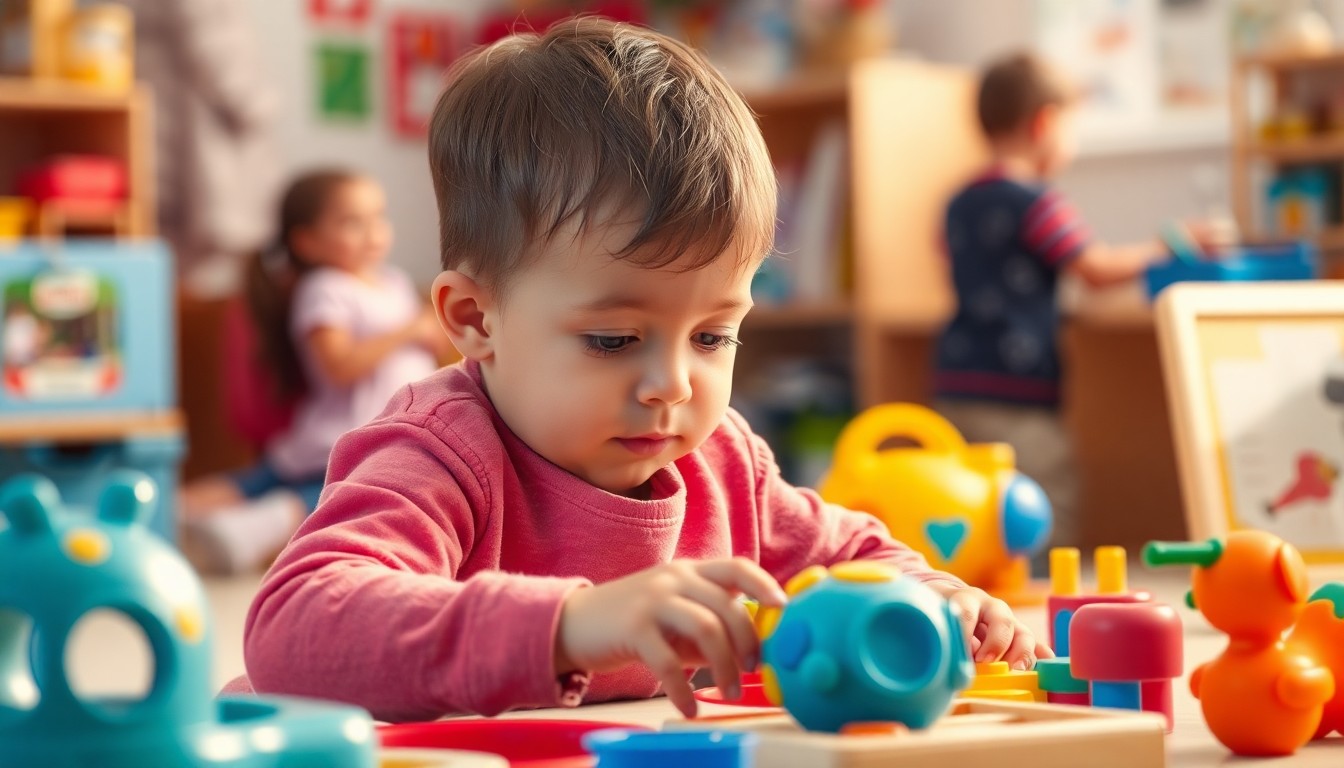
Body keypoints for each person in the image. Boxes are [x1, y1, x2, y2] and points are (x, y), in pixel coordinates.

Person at [238, 18, 1049, 724]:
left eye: (712, 336)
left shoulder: (724, 462)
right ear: (474, 321)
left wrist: (931, 597)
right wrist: (571, 624)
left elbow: (852, 553)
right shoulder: (440, 457)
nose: (673, 385)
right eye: (615, 340)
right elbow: (293, 624)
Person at [932, 52, 1170, 554]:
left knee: (973, 510)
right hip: (1018, 392)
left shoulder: (958, 200)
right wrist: (1166, 247)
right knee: (1044, 503)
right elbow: (1097, 271)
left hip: (955, 381)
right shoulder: (1037, 201)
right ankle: (1041, 597)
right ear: (1044, 123)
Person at [179, 170, 450, 575]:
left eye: (378, 217)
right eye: (351, 222)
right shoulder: (324, 288)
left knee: (259, 483)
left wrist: (431, 335)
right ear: (307, 242)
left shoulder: (391, 282)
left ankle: (187, 514)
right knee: (328, 496)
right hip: (346, 433)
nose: (372, 232)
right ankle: (195, 517)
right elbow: (337, 366)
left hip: (376, 431)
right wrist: (409, 330)